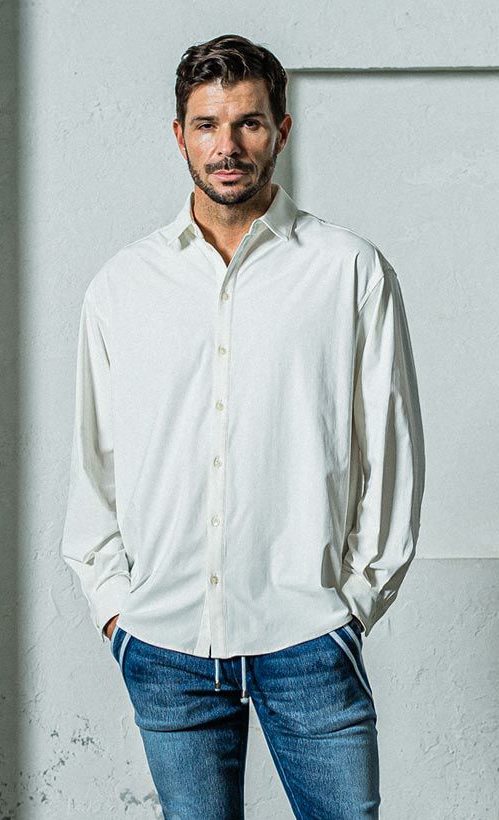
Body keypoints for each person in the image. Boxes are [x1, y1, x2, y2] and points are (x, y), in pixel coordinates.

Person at [60, 33, 426, 820]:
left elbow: (392, 451)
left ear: (281, 131)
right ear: (180, 135)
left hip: (308, 636)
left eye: (249, 123)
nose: (227, 146)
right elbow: (94, 464)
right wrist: (116, 610)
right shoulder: (122, 287)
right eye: (207, 125)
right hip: (165, 646)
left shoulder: (348, 270)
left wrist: (353, 603)